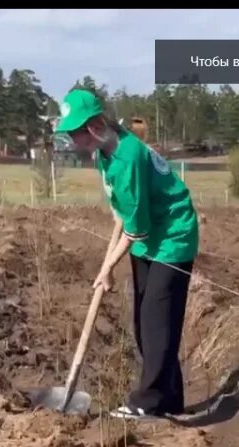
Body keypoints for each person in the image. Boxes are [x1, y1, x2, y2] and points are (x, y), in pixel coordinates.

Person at [54, 88, 200, 420]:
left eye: (75, 133)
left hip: (172, 237)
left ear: (92, 127)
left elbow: (137, 230)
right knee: (144, 323)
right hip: (149, 235)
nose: (72, 141)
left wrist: (106, 269)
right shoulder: (106, 151)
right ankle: (170, 399)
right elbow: (123, 210)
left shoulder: (128, 156)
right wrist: (117, 226)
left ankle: (146, 402)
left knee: (156, 323)